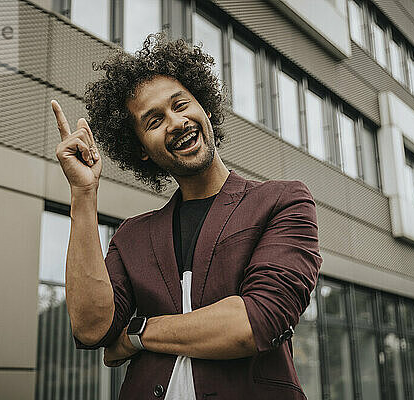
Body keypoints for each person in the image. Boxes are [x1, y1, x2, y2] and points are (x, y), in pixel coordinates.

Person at [51, 33, 322, 400]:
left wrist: (137, 334)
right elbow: (92, 328)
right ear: (141, 150)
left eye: (180, 105)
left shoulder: (282, 202)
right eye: (154, 121)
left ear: (205, 108)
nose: (176, 122)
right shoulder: (132, 235)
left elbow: (254, 322)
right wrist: (83, 195)